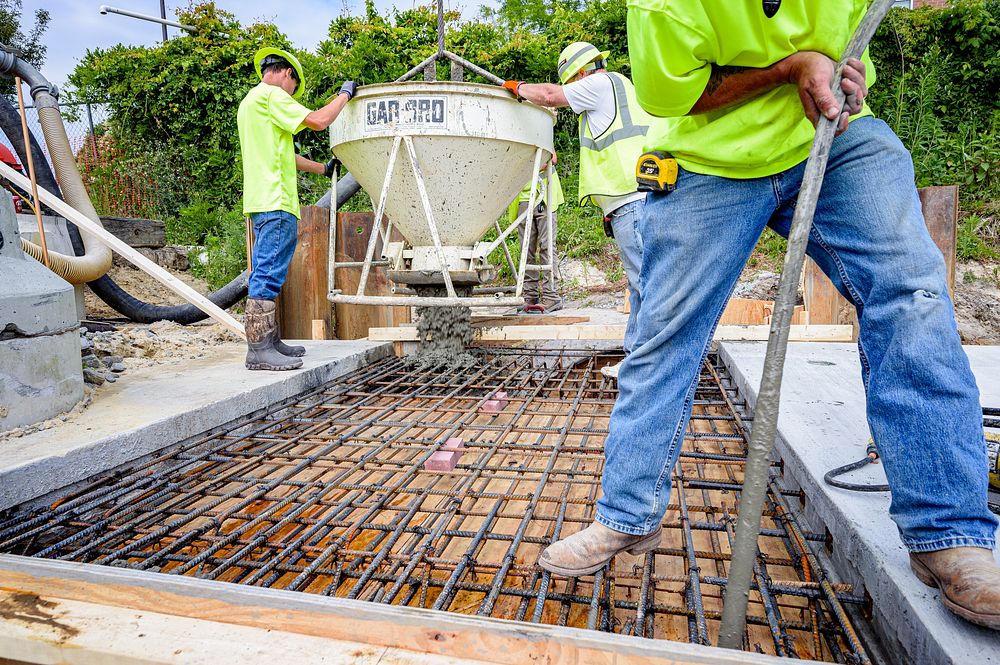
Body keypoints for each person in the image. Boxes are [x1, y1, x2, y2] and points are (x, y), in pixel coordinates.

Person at [536, 1, 1000, 630]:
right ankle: (626, 515)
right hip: (709, 157)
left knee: (912, 297)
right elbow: (674, 94)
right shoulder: (665, 5)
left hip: (830, 136)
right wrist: (789, 69)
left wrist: (843, 72)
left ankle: (950, 534)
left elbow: (848, 37)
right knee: (663, 336)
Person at [504, 42, 663, 351]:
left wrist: (519, 88)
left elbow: (550, 96)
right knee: (643, 284)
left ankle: (648, 363)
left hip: (630, 200)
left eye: (570, 83)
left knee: (645, 286)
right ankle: (637, 358)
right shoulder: (624, 85)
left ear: (579, 73)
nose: (572, 90)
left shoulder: (599, 84)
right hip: (637, 198)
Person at [238, 47, 355, 371]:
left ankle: (270, 341)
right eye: (294, 87)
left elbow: (283, 155)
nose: (292, 94)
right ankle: (259, 348)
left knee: (269, 267)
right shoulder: (272, 96)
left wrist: (322, 168)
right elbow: (318, 120)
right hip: (276, 201)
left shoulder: (250, 104)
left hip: (262, 201)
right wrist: (345, 95)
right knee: (268, 272)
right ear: (287, 74)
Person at [509, 157, 564, 313]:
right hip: (523, 199)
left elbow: (552, 158)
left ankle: (550, 294)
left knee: (547, 247)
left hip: (544, 194)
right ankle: (530, 295)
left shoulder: (541, 131)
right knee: (526, 249)